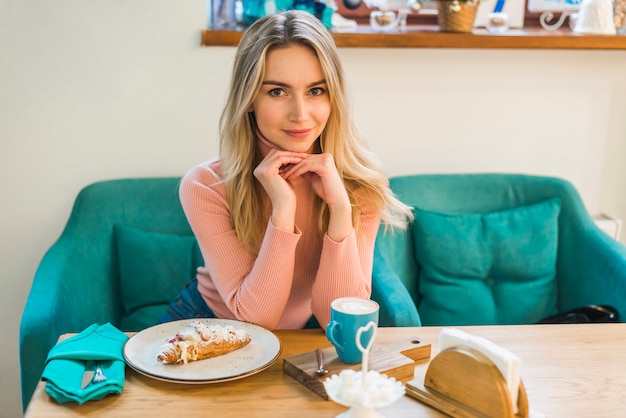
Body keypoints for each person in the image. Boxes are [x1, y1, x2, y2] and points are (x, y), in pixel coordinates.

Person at [159, 10, 413, 330]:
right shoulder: (207, 185)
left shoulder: (359, 185)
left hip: (299, 333)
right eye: (277, 91)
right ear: (249, 98)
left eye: (316, 91)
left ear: (334, 96)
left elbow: (337, 317)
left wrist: (339, 208)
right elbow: (255, 317)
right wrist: (284, 209)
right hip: (207, 322)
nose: (301, 114)